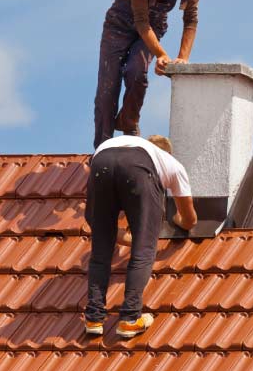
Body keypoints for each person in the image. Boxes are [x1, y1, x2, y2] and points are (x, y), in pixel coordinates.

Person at [84, 134, 197, 338]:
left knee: (100, 251)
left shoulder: (123, 145)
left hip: (100, 161)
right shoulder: (171, 164)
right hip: (135, 169)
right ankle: (130, 318)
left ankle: (94, 318)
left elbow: (94, 221)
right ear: (166, 154)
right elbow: (190, 219)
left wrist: (121, 237)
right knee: (144, 250)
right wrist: (176, 221)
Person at [94, 0, 200, 149]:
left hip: (154, 24)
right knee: (108, 88)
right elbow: (141, 21)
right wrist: (161, 54)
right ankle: (102, 148)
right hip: (120, 24)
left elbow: (191, 19)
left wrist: (182, 58)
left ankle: (129, 123)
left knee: (137, 71)